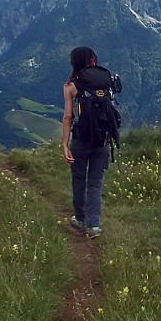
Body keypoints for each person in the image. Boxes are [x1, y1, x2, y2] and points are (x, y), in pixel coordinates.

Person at [63, 46, 112, 238]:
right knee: (95, 182)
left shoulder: (71, 86)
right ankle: (94, 226)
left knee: (78, 179)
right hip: (102, 140)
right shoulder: (106, 81)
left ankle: (80, 218)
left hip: (81, 139)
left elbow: (68, 116)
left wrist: (65, 144)